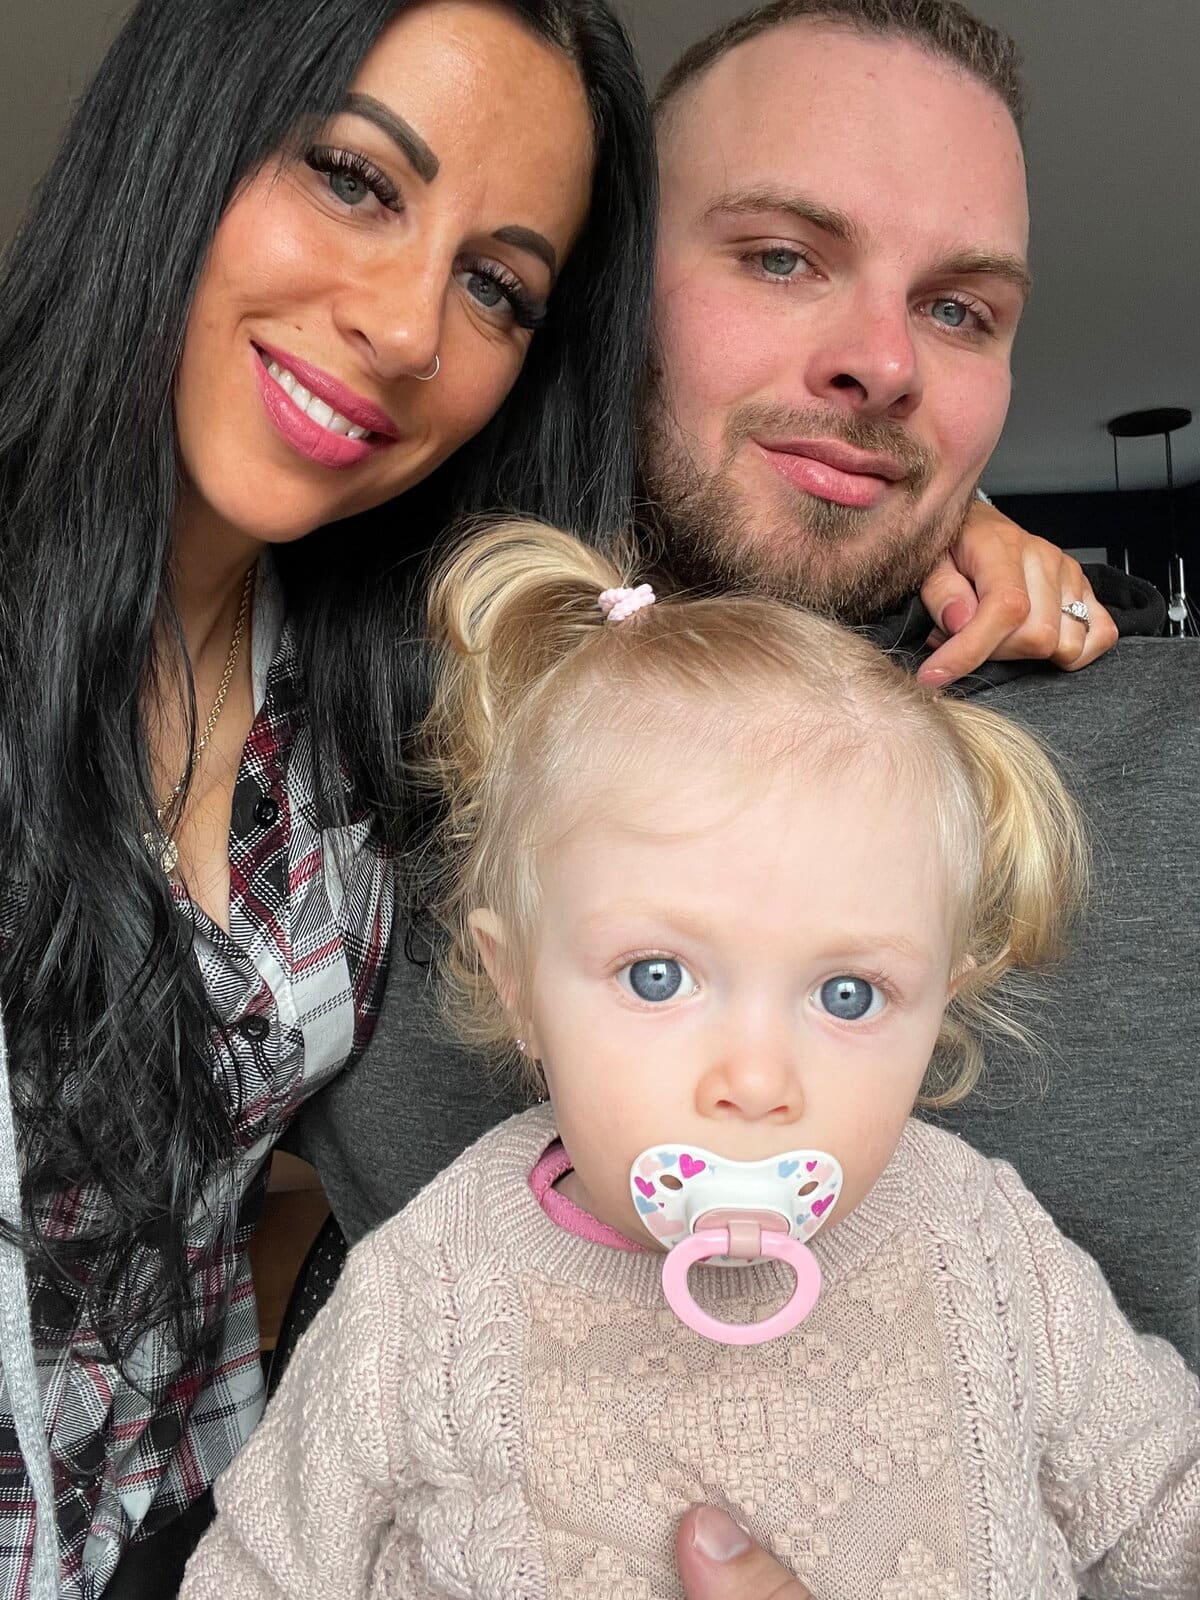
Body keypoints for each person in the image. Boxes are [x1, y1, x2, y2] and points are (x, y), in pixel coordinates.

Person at [292, 0, 1198, 1391]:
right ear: (611, 298)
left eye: (959, 309)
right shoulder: (360, 711)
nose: (884, 364)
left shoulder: (1163, 742)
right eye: (782, 257)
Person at [180, 519, 1200, 1599]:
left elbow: (1164, 1503)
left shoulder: (982, 1243)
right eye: (658, 976)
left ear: (941, 1004)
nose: (755, 1083)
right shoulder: (426, 1290)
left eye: (848, 995)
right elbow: (258, 1573)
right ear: (517, 981)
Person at [0, 1, 659, 1595]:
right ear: (184, 134)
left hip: (216, 1539)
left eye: (496, 286)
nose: (411, 327)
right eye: (357, 179)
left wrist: (942, 537)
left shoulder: (378, 685)